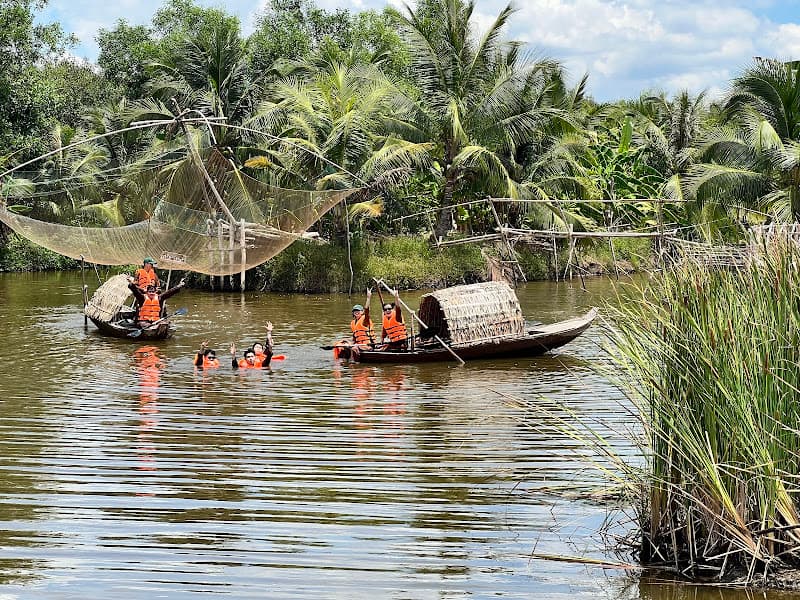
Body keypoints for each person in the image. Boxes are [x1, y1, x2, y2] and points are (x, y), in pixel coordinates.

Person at [348, 289, 374, 358]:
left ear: (362, 312)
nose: (356, 312)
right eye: (355, 311)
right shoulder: (353, 323)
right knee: (347, 344)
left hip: (368, 345)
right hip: (359, 344)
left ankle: (354, 361)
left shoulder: (365, 320)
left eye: (358, 310)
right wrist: (351, 344)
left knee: (354, 347)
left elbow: (367, 310)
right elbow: (354, 337)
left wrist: (368, 298)